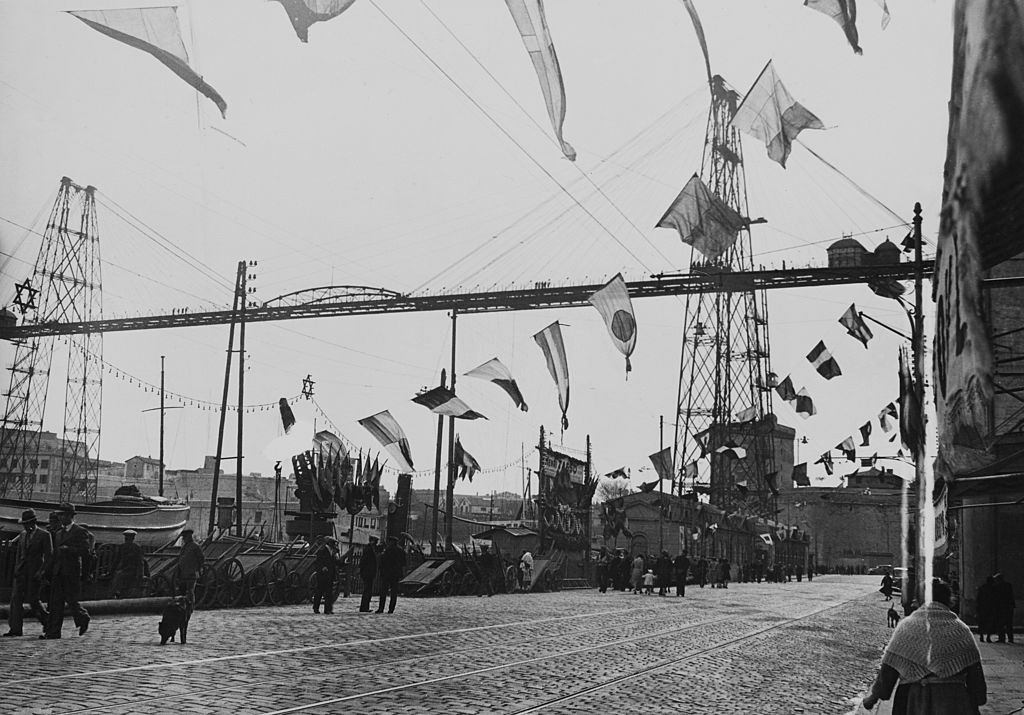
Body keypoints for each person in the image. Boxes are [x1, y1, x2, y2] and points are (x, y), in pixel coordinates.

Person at [862, 580, 987, 714]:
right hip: (954, 701)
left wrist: (874, 697)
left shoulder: (906, 627)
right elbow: (975, 671)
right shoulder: (960, 629)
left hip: (912, 699)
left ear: (918, 599)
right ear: (949, 599)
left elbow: (889, 668)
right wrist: (978, 698)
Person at [41, 503, 92, 639]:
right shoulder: (58, 533)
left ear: (70, 516)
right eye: (59, 515)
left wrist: (69, 550)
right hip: (58, 572)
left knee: (72, 600)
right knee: (55, 602)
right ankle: (53, 632)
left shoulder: (80, 531)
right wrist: (47, 571)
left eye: (62, 515)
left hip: (71, 572)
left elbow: (85, 552)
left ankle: (83, 617)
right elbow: (54, 555)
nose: (60, 518)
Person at [4, 509, 52, 637]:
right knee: (16, 599)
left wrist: (41, 572)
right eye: (24, 524)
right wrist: (16, 569)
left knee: (33, 599)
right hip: (21, 572)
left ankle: (47, 621)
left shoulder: (44, 535)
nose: (25, 526)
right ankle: (15, 629)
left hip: (34, 573)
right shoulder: (23, 535)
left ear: (34, 522)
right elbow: (19, 555)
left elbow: (49, 556)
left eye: (28, 523)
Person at [110, 529, 146, 599]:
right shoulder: (122, 547)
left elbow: (140, 562)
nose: (127, 540)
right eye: (126, 538)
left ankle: (114, 593)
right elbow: (117, 560)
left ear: (132, 539)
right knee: (117, 574)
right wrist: (111, 572)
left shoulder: (137, 548)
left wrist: (140, 575)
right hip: (124, 569)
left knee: (119, 575)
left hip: (133, 570)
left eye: (129, 539)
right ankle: (116, 592)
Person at [175, 528, 204, 611]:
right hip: (183, 574)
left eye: (185, 537)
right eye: (183, 537)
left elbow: (201, 559)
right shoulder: (184, 547)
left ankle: (191, 607)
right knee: (183, 592)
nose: (184, 539)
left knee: (190, 591)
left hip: (191, 573)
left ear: (189, 536)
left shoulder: (195, 547)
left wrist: (198, 569)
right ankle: (184, 608)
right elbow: (180, 559)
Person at [311, 537, 340, 614]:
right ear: (330, 544)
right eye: (333, 544)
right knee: (319, 592)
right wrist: (322, 567)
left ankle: (328, 609)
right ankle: (316, 608)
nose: (335, 546)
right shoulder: (322, 551)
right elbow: (318, 562)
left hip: (330, 575)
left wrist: (343, 563)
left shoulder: (333, 552)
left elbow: (335, 562)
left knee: (329, 593)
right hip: (322, 575)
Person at [378, 536, 406, 613]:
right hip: (395, 574)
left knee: (383, 592)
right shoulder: (400, 551)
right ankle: (391, 609)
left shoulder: (387, 550)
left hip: (386, 573)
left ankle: (381, 608)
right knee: (394, 593)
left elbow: (382, 561)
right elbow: (403, 563)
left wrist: (381, 570)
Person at [993, 573, 1015, 644]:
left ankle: (1002, 638)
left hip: (1001, 607)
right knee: (1009, 624)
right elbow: (1011, 596)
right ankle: (1010, 638)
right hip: (1008, 607)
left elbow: (996, 598)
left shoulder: (997, 587)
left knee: (1001, 624)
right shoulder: (1008, 585)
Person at [358, 536, 378, 612]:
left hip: (369, 573)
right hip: (367, 573)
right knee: (367, 591)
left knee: (368, 591)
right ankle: (364, 607)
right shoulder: (368, 549)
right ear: (372, 541)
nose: (376, 544)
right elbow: (364, 561)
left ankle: (365, 607)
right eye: (375, 542)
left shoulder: (370, 549)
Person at [975, 576, 996, 643]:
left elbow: (978, 598)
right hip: (990, 608)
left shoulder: (982, 588)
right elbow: (995, 599)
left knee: (982, 623)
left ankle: (982, 636)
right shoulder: (993, 589)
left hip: (982, 608)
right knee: (989, 623)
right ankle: (988, 637)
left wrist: (977, 608)